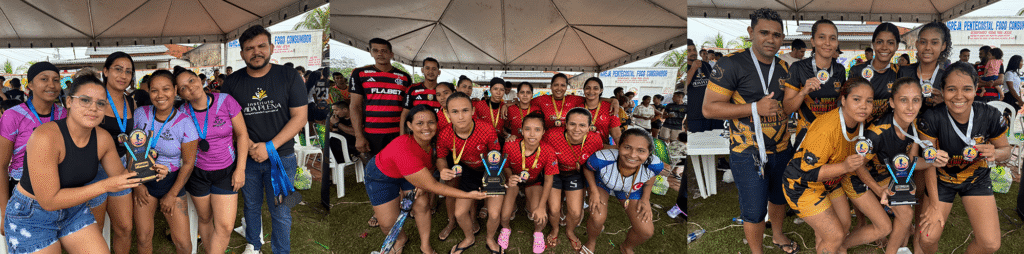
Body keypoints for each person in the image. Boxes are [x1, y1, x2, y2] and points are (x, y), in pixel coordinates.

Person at [5, 75, 165, 254]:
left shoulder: (102, 138)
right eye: (85, 100)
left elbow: (121, 177)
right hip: (32, 214)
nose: (93, 108)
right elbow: (49, 201)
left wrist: (150, 170)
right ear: (69, 102)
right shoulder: (45, 137)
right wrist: (105, 185)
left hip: (73, 210)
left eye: (101, 103)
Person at [703, 8, 798, 254]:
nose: (771, 39)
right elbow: (709, 109)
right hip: (747, 150)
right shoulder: (731, 64)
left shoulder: (785, 68)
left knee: (779, 198)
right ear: (750, 32)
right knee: (754, 209)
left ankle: (777, 234)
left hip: (782, 147)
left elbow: (789, 106)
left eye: (776, 35)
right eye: (764, 33)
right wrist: (755, 107)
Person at [220, 25, 309, 254]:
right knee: (251, 205)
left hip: (282, 157)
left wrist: (270, 147)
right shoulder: (232, 82)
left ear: (271, 48)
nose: (256, 52)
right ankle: (254, 245)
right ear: (242, 54)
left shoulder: (289, 76)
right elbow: (226, 120)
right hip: (247, 157)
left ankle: (281, 251)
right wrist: (250, 146)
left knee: (281, 209)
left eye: (261, 46)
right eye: (249, 48)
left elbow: (300, 117)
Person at [840, 77, 948, 254]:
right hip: (857, 178)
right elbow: (858, 166)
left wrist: (932, 161)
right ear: (892, 102)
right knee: (884, 227)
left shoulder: (914, 125)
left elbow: (909, 163)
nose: (910, 107)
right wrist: (878, 191)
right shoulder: (877, 133)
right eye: (903, 100)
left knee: (905, 215)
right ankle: (842, 246)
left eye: (916, 100)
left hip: (884, 175)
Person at [365, 105, 488, 254]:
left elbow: (431, 165)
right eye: (419, 123)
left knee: (422, 204)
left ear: (437, 123)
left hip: (413, 172)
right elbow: (434, 186)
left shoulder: (436, 141)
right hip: (382, 176)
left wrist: (423, 183)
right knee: (387, 223)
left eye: (431, 122)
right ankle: (400, 239)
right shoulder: (403, 149)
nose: (426, 128)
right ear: (410, 125)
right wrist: (468, 195)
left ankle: (425, 245)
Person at [916, 62, 1008, 254]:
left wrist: (996, 153)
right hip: (942, 180)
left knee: (990, 244)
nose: (959, 96)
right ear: (942, 91)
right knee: (927, 239)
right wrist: (934, 204)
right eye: (951, 89)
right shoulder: (931, 118)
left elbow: (1005, 150)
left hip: (976, 179)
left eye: (966, 89)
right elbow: (930, 163)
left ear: (976, 89)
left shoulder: (990, 115)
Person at [783, 78, 873, 254]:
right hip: (801, 184)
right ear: (843, 100)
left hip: (830, 180)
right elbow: (808, 172)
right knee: (835, 235)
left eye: (869, 101)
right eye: (856, 99)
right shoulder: (825, 128)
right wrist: (845, 167)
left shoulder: (861, 122)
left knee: (844, 224)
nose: (863, 106)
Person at [176, 68, 249, 254]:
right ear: (180, 94)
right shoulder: (182, 112)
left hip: (226, 171)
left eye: (191, 80)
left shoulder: (225, 101)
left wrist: (240, 169)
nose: (190, 87)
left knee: (225, 226)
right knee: (205, 219)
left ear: (200, 80)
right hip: (197, 174)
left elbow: (242, 135)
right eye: (183, 88)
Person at [131, 70, 197, 254]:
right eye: (154, 90)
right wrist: (137, 184)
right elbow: (132, 151)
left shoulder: (185, 123)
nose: (160, 95)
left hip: (171, 184)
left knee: (183, 242)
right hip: (144, 181)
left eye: (166, 89)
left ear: (175, 90)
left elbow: (188, 164)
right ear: (148, 91)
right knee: (143, 237)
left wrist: (171, 195)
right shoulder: (141, 114)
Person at [0, 62, 68, 225]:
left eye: (56, 80)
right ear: (30, 84)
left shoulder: (65, 114)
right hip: (22, 194)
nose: (51, 85)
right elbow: (1, 166)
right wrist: (4, 211)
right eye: (44, 79)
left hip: (59, 191)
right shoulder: (13, 115)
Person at [435, 92, 499, 254]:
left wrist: (491, 180)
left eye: (465, 110)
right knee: (460, 213)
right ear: (448, 114)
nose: (460, 116)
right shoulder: (444, 134)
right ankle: (469, 238)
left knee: (494, 213)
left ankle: (490, 239)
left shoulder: (487, 129)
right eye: (455, 112)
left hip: (490, 170)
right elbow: (441, 157)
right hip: (469, 172)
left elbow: (495, 156)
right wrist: (443, 169)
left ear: (472, 111)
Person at [582, 128, 664, 254]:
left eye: (641, 150)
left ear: (649, 153)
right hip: (602, 183)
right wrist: (593, 191)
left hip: (630, 188)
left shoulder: (655, 164)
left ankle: (626, 247)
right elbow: (588, 168)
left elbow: (651, 176)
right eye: (627, 147)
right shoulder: (601, 158)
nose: (632, 155)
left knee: (645, 231)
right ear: (618, 146)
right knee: (597, 217)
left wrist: (645, 199)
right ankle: (591, 241)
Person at [90, 52, 139, 254]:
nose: (123, 75)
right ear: (105, 71)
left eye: (128, 71)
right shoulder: (94, 99)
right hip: (93, 169)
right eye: (118, 69)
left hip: (120, 168)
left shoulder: (131, 102)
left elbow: (132, 139)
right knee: (95, 231)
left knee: (125, 228)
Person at [542, 107, 604, 252]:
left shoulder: (595, 139)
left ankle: (570, 232)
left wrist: (592, 190)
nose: (577, 129)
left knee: (576, 212)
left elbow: (594, 165)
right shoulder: (552, 135)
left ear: (589, 127)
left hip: (575, 174)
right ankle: (555, 230)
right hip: (554, 172)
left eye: (582, 125)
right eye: (572, 124)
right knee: (554, 210)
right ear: (565, 124)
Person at [497, 112, 557, 253]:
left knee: (540, 217)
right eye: (527, 129)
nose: (532, 134)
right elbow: (505, 165)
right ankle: (506, 229)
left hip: (534, 183)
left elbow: (548, 180)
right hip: (514, 181)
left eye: (537, 129)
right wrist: (510, 176)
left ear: (543, 132)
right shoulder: (510, 145)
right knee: (504, 215)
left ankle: (538, 233)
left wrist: (542, 206)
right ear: (522, 130)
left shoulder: (548, 150)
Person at [784, 19, 847, 145]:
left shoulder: (840, 70)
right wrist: (803, 92)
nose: (827, 43)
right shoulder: (798, 68)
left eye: (832, 38)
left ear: (837, 43)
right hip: (806, 136)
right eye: (821, 37)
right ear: (812, 41)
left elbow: (841, 104)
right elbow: (787, 108)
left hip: (831, 135)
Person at [849, 22, 903, 120]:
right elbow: (848, 104)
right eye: (879, 42)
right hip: (861, 126)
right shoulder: (857, 70)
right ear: (873, 44)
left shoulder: (900, 72)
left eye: (890, 43)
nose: (884, 47)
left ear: (897, 46)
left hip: (889, 127)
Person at [899, 22, 951, 108]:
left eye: (934, 43)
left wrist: (945, 104)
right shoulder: (903, 72)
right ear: (917, 44)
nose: (927, 47)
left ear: (943, 46)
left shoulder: (948, 78)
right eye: (923, 42)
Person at [682, 39, 723, 133]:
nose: (693, 53)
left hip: (713, 113)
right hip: (696, 116)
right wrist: (693, 68)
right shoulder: (684, 68)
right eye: (689, 50)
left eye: (694, 50)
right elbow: (684, 87)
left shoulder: (706, 65)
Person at [401, 58, 443, 133]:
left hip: (440, 133)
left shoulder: (443, 90)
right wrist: (402, 136)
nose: (430, 71)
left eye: (434, 69)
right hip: (417, 134)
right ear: (422, 70)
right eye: (427, 68)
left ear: (439, 72)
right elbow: (405, 114)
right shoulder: (412, 89)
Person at [581, 77, 622, 144]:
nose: (591, 91)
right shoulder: (577, 106)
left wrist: (620, 147)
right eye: (588, 88)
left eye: (595, 88)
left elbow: (617, 135)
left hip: (603, 148)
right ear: (584, 90)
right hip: (579, 148)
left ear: (601, 90)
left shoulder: (609, 108)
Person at [474, 78, 506, 142]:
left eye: (501, 90)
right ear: (490, 90)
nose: (498, 93)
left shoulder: (505, 107)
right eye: (495, 89)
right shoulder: (480, 105)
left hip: (500, 141)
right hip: (483, 141)